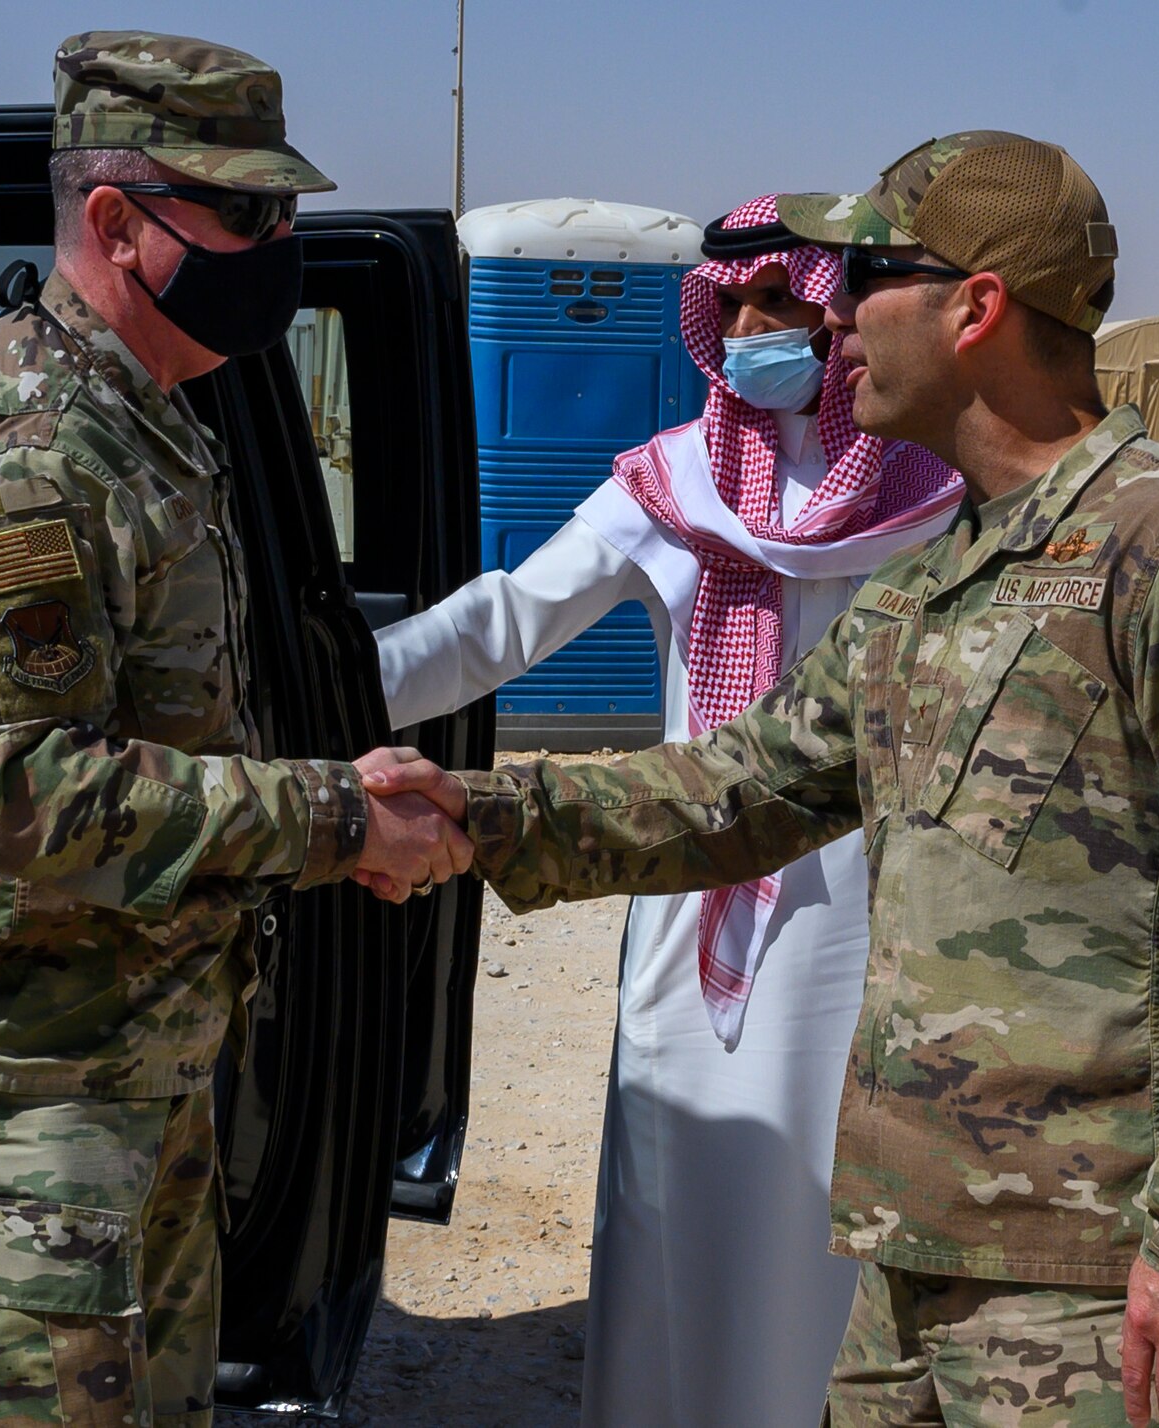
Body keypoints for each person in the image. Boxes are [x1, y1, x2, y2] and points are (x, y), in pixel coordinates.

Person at [368, 132, 1159, 1428]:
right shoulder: (930, 588)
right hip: (906, 1269)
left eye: (867, 278)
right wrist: (476, 815)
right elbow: (735, 793)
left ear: (978, 307)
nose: (829, 318)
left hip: (1085, 1274)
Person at [0, 32, 469, 1428]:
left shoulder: (149, 417)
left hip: (132, 1059)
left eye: (284, 211)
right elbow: (7, 791)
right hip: (27, 1094)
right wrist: (334, 817)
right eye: (245, 213)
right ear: (115, 219)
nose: (277, 242)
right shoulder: (37, 455)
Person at [374, 196, 961, 1428]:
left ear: (836, 312)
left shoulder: (933, 489)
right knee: (676, 1188)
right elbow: (500, 624)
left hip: (862, 901)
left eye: (782, 306)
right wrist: (306, 686)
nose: (754, 328)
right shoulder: (672, 479)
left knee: (826, 1201)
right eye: (733, 307)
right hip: (695, 883)